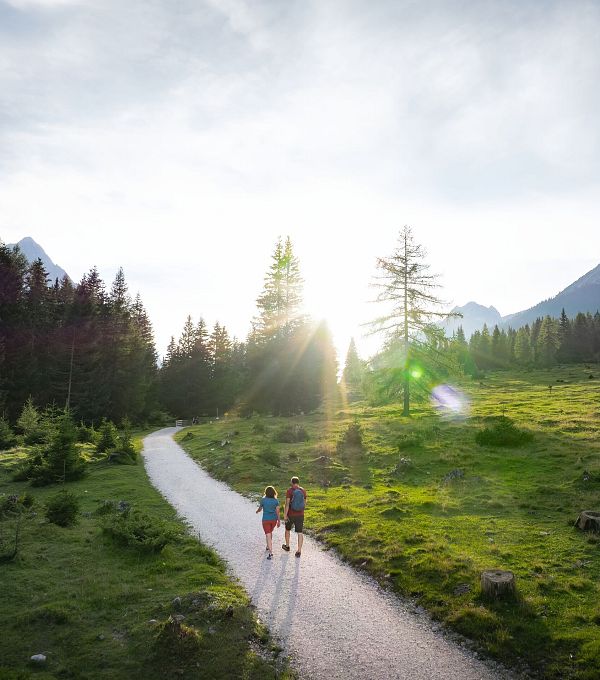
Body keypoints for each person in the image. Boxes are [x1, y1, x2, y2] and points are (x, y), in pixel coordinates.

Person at [282, 476, 306, 557]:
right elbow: (304, 503)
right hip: (300, 515)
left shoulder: (289, 491)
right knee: (300, 532)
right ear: (298, 482)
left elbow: (287, 504)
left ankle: (287, 546)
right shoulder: (303, 490)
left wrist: (285, 515)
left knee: (287, 530)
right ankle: (299, 551)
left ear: (292, 482)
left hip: (291, 515)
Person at [256, 485, 280, 559]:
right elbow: (278, 512)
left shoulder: (263, 500)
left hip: (266, 520)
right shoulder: (276, 501)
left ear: (266, 492)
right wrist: (279, 521)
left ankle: (270, 552)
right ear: (273, 492)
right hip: (274, 520)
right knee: (270, 533)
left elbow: (260, 508)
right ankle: (268, 546)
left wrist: (257, 511)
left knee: (268, 535)